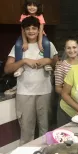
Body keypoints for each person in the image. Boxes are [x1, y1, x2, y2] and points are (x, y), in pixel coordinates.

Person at [4, 16, 57, 145]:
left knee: (45, 127)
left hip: (44, 92)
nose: (31, 31)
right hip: (24, 93)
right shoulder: (19, 47)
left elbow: (57, 63)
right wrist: (23, 61)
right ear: (24, 31)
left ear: (39, 30)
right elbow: (7, 69)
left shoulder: (47, 45)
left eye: (34, 28)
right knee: (27, 130)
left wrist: (47, 60)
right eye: (28, 29)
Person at [14, 0, 52, 77]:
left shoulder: (40, 16)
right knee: (18, 45)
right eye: (29, 5)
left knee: (47, 43)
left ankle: (46, 63)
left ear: (38, 7)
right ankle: (19, 67)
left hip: (40, 35)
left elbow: (41, 30)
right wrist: (24, 41)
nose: (32, 7)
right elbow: (23, 30)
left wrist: (39, 41)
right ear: (26, 6)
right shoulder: (23, 15)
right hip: (25, 35)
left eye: (34, 5)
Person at [54, 38, 78, 126]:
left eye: (74, 47)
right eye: (68, 48)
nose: (72, 50)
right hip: (66, 107)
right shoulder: (61, 66)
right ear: (65, 49)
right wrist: (72, 94)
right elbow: (58, 88)